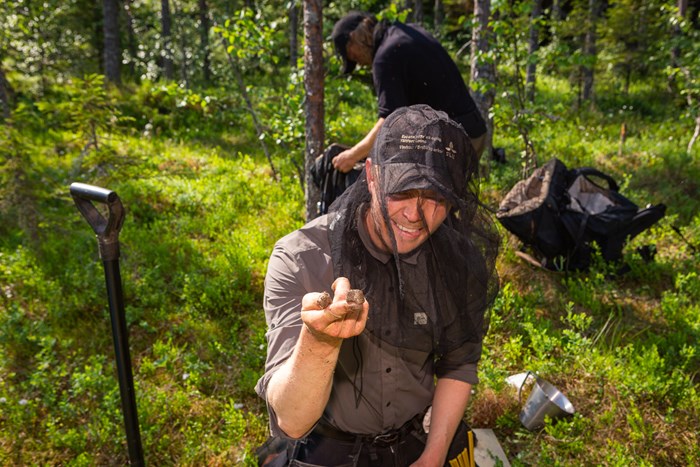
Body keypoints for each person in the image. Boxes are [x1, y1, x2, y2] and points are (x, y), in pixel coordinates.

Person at [255, 105, 500, 466]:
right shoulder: (301, 258)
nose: (417, 216)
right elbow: (291, 421)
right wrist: (320, 341)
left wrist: (433, 456)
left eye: (436, 196)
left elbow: (458, 365)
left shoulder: (455, 260)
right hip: (326, 445)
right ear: (371, 176)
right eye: (402, 190)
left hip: (416, 438)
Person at [330, 11, 488, 174]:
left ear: (355, 37)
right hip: (472, 131)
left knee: (419, 194)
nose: (358, 63)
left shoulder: (386, 56)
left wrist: (353, 155)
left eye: (351, 55)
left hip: (451, 143)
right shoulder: (407, 32)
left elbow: (390, 120)